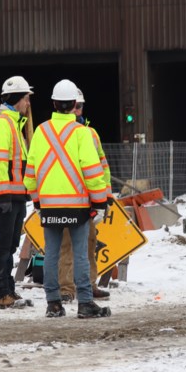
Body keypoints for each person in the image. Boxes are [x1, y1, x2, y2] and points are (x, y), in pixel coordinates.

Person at [24, 79, 111, 319]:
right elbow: (93, 173)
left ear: (53, 103)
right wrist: (100, 202)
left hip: (49, 205)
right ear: (74, 104)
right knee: (81, 254)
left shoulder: (41, 131)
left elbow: (30, 173)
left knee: (51, 253)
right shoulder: (82, 133)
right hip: (78, 206)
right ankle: (85, 303)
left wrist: (37, 202)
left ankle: (53, 303)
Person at [0, 76, 34, 309]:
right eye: (25, 98)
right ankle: (0, 294)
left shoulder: (14, 125)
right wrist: (3, 194)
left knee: (10, 244)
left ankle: (8, 289)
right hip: (6, 196)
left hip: (15, 196)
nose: (27, 104)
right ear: (15, 99)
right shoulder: (2, 125)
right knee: (3, 245)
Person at [57, 88, 112, 303]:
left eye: (80, 106)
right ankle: (66, 288)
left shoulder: (90, 134)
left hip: (88, 200)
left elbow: (101, 167)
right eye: (75, 106)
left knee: (89, 242)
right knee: (67, 244)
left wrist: (104, 196)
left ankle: (89, 285)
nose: (78, 110)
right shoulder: (58, 133)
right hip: (67, 199)